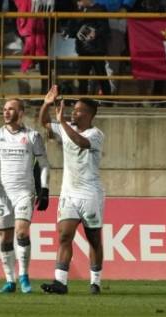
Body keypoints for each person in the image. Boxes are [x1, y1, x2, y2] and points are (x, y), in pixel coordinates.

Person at [0, 98, 50, 293]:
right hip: (2, 195)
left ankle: (24, 276)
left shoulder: (32, 136)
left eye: (11, 109)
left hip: (24, 192)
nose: (6, 112)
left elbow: (44, 165)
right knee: (4, 239)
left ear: (21, 112)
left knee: (22, 232)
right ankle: (10, 280)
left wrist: (45, 189)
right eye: (5, 109)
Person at [38, 85, 105, 295]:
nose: (73, 112)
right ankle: (60, 282)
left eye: (78, 110)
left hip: (90, 194)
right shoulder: (67, 127)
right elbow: (44, 122)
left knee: (93, 239)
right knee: (65, 237)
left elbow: (81, 142)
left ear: (89, 114)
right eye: (73, 109)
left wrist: (63, 122)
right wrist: (46, 104)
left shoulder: (96, 134)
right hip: (69, 193)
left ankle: (95, 281)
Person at [61, 0, 111, 95]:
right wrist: (66, 33)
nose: (77, 3)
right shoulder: (77, 11)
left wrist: (95, 33)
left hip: (97, 49)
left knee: (101, 75)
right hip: (82, 50)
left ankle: (108, 100)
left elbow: (105, 29)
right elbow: (73, 29)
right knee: (82, 77)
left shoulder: (100, 9)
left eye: (79, 1)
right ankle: (82, 100)